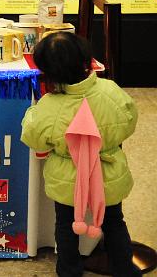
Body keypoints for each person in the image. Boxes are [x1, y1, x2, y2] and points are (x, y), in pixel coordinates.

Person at [21, 32, 141, 277]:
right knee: (114, 222)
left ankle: (69, 270)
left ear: (48, 72)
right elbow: (129, 122)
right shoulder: (110, 91)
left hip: (67, 178)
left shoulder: (49, 106)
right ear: (86, 60)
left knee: (65, 225)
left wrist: (31, 113)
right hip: (109, 174)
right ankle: (124, 269)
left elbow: (33, 137)